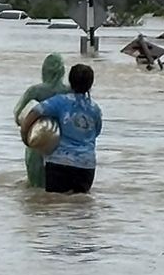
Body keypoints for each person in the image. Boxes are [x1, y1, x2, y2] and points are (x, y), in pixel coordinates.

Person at [21, 64, 102, 194]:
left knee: (56, 207)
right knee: (80, 207)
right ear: (90, 85)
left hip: (59, 164)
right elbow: (96, 132)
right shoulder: (95, 109)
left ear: (70, 81)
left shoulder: (59, 102)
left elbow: (32, 115)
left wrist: (26, 137)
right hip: (86, 166)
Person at [13, 52, 69, 188]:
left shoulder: (35, 91)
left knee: (35, 187)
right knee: (58, 189)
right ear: (62, 71)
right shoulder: (69, 92)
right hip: (62, 145)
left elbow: (17, 114)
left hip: (37, 141)